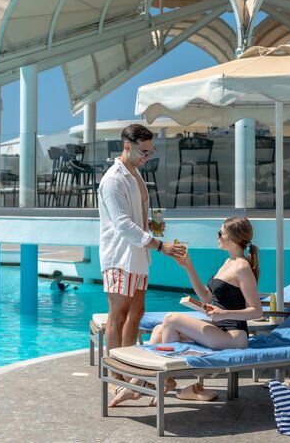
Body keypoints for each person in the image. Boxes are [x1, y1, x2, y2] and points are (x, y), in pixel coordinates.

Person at [110, 216, 262, 407]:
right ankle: (135, 386)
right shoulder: (227, 263)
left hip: (234, 336)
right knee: (159, 330)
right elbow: (206, 297)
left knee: (171, 319)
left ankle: (165, 379)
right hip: (219, 330)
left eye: (220, 233)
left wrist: (224, 314)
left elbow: (256, 311)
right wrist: (188, 266)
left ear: (232, 238)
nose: (217, 237)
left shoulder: (242, 267)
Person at [98, 124, 186, 384]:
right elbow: (122, 224)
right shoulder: (113, 180)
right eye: (144, 152)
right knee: (118, 315)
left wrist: (149, 225)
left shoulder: (135, 175)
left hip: (137, 256)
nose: (148, 156)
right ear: (127, 146)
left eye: (151, 151)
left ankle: (130, 369)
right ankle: (116, 377)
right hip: (119, 257)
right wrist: (159, 245)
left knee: (137, 311)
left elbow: (133, 219)